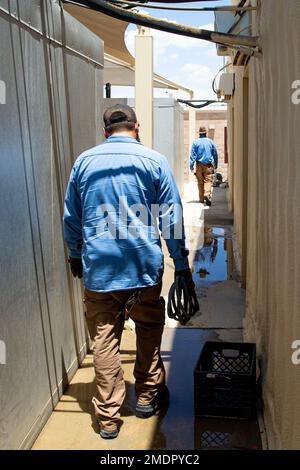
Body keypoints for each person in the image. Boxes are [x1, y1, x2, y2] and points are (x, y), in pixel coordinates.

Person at [63, 104, 195, 439]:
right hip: (142, 270)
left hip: (100, 272)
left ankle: (108, 418)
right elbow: (172, 218)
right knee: (149, 329)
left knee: (104, 341)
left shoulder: (84, 162)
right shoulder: (154, 161)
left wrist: (74, 254)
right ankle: (147, 398)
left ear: (104, 131)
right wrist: (181, 266)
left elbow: (72, 217)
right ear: (136, 127)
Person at [189, 126, 218, 206]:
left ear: (199, 133)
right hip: (208, 165)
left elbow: (192, 155)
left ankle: (201, 199)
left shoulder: (195, 142)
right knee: (208, 180)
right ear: (206, 133)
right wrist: (216, 164)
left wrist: (191, 166)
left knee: (200, 182)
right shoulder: (210, 142)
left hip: (198, 165)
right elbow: (215, 153)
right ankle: (207, 194)